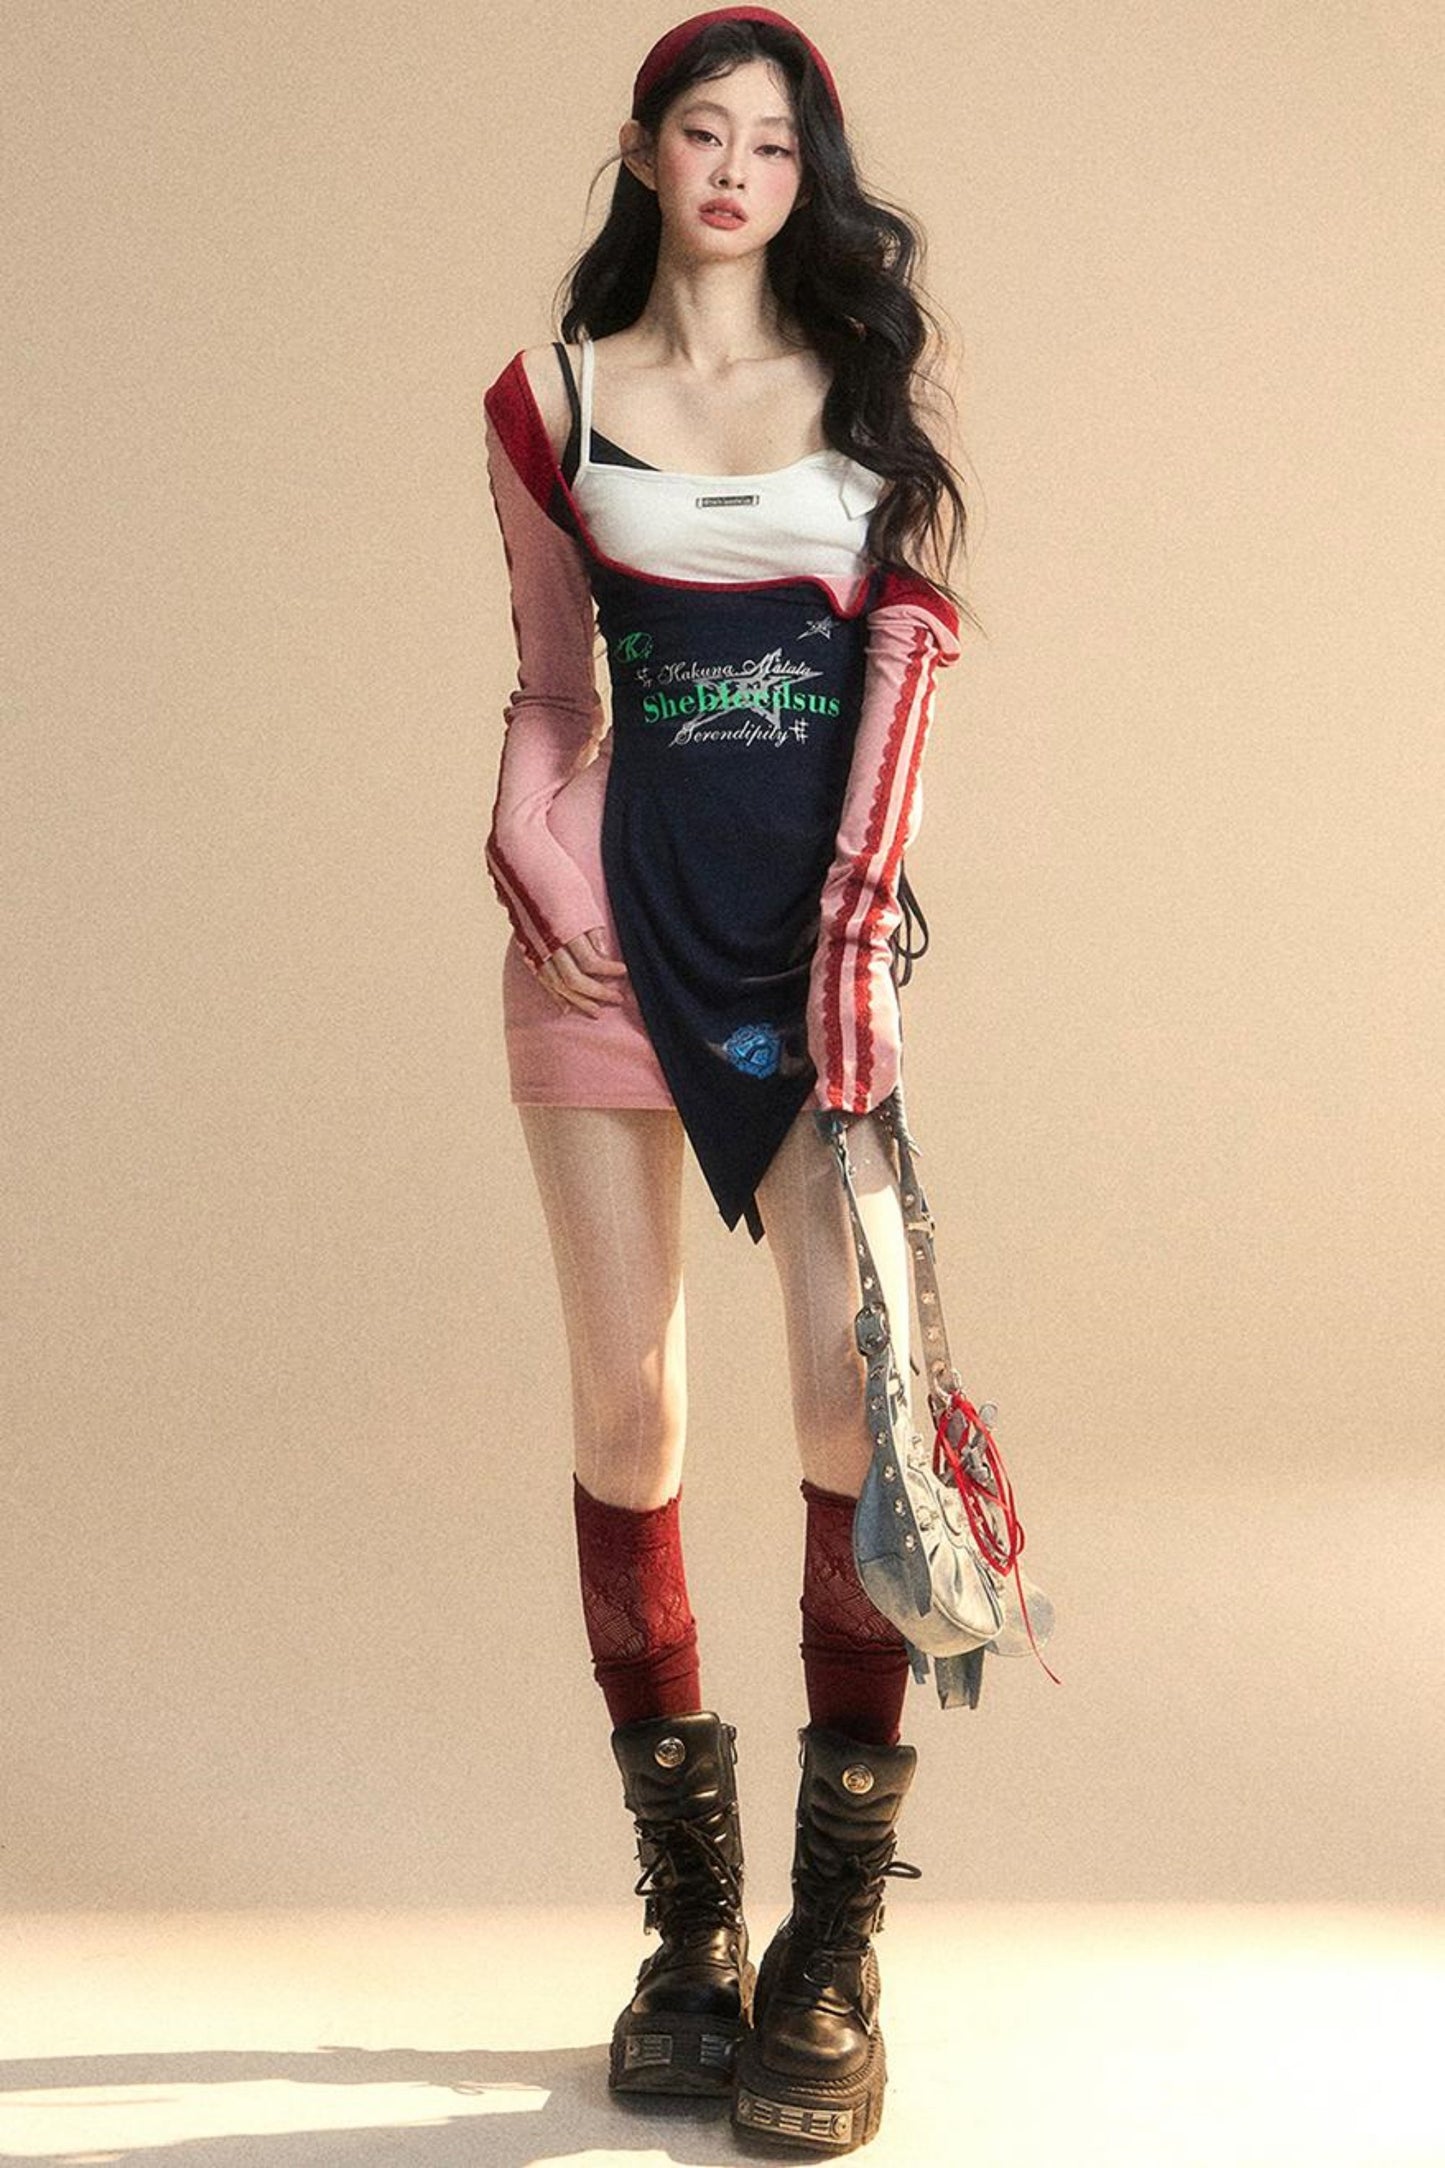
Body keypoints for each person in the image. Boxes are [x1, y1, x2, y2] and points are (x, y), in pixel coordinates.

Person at [480, 8, 973, 2153]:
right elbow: (545, 693)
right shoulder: (551, 400)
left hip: (807, 959)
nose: (740, 172)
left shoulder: (864, 396)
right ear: (645, 149)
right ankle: (690, 1929)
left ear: (806, 175)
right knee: (628, 1410)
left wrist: (856, 927)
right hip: (599, 953)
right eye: (707, 132)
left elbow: (908, 695)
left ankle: (832, 1940)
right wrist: (523, 848)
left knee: (850, 1418)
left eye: (777, 144)